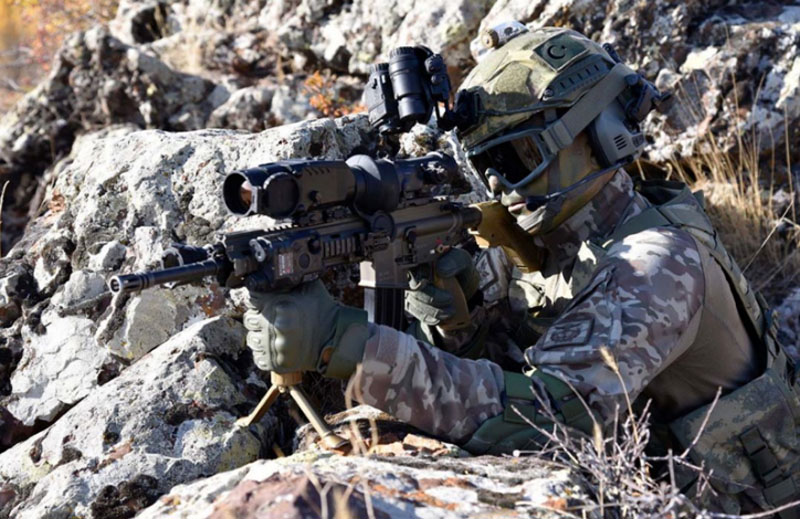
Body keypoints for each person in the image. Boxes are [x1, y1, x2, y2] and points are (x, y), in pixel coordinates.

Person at [243, 26, 800, 515]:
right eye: (485, 165)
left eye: (518, 159)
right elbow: (511, 364)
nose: (500, 186)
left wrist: (350, 344)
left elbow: (544, 421)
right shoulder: (552, 238)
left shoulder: (655, 264)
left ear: (599, 134)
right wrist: (458, 321)